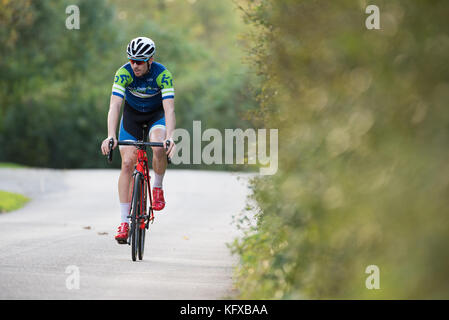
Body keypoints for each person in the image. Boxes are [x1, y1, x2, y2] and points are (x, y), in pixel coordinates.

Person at [100, 36, 176, 244]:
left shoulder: (163, 74)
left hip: (156, 116)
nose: (135, 65)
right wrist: (111, 135)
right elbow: (115, 105)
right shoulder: (123, 73)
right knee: (127, 162)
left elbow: (169, 108)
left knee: (159, 146)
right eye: (132, 60)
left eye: (140, 61)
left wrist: (170, 137)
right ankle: (124, 221)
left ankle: (158, 186)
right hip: (132, 116)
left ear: (150, 60)